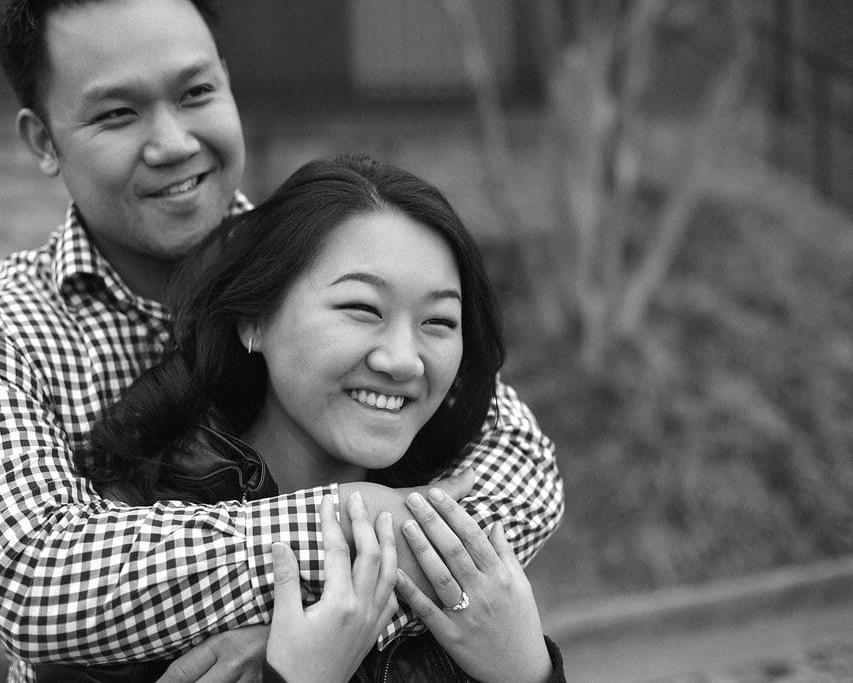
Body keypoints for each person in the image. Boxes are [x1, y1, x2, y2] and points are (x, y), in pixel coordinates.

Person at [0, 0, 564, 680]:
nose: (174, 143)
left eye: (196, 93)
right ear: (44, 140)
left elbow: (520, 471)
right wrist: (349, 529)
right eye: (118, 113)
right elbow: (34, 580)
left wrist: (309, 626)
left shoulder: (334, 249)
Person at [66, 154, 563, 682]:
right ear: (253, 319)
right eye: (362, 309)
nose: (403, 361)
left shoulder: (458, 536)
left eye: (439, 321)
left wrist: (529, 673)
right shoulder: (123, 552)